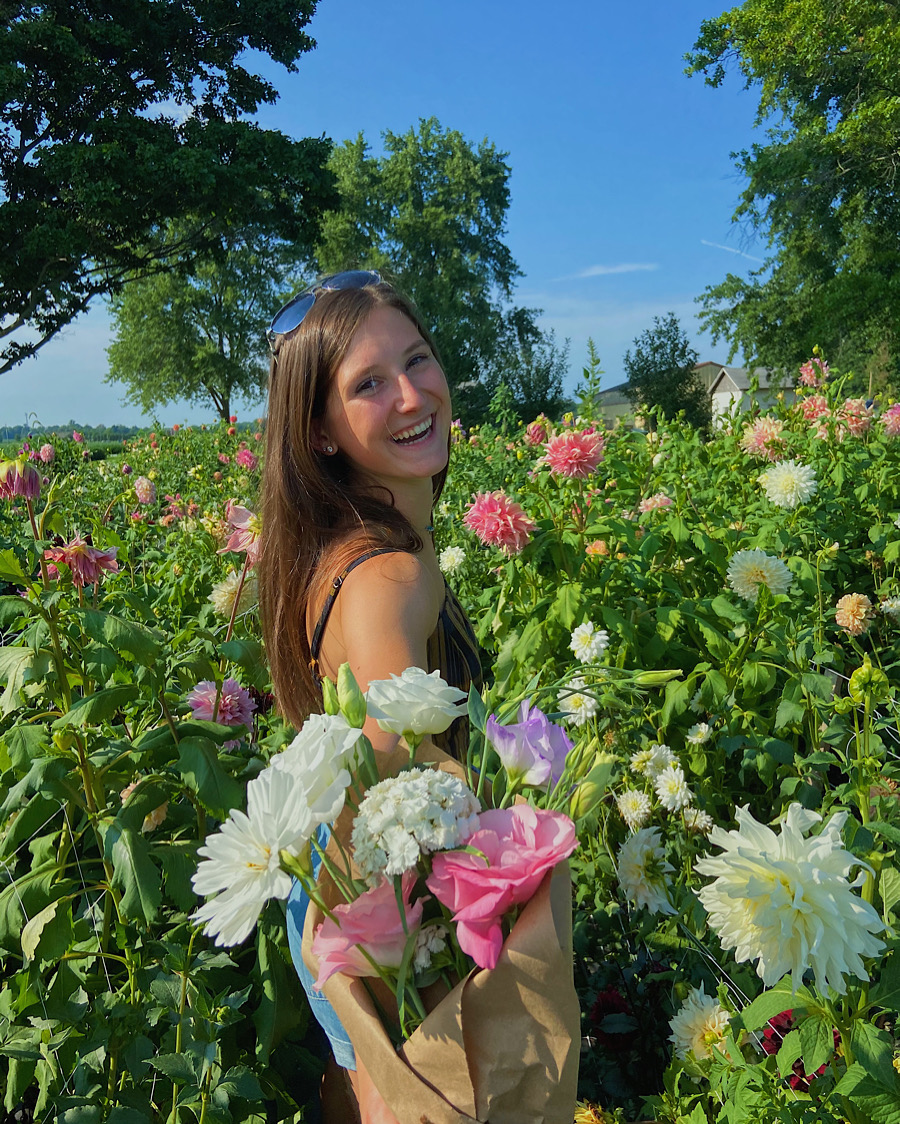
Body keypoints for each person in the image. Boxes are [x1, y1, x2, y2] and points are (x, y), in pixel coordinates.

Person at [257, 271, 483, 1123]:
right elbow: (406, 788)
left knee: (365, 1090)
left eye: (417, 359)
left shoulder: (339, 548)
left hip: (335, 887)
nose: (411, 394)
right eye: (368, 385)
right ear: (319, 432)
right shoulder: (387, 575)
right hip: (379, 910)